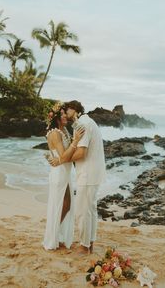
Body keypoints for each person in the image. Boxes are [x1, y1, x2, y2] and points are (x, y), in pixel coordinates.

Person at [49, 100, 106, 254]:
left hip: (88, 173)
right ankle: (89, 243)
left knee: (82, 211)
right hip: (93, 172)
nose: (65, 115)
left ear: (74, 110)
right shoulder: (85, 122)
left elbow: (81, 152)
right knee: (90, 210)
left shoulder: (83, 124)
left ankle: (84, 246)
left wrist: (61, 160)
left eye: (66, 111)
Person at [43, 102, 85, 250]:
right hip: (59, 174)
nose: (65, 115)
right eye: (61, 114)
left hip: (65, 173)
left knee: (65, 205)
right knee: (61, 205)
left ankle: (56, 235)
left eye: (64, 113)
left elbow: (62, 156)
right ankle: (52, 237)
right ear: (56, 118)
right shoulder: (55, 133)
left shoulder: (64, 130)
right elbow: (64, 156)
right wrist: (76, 141)